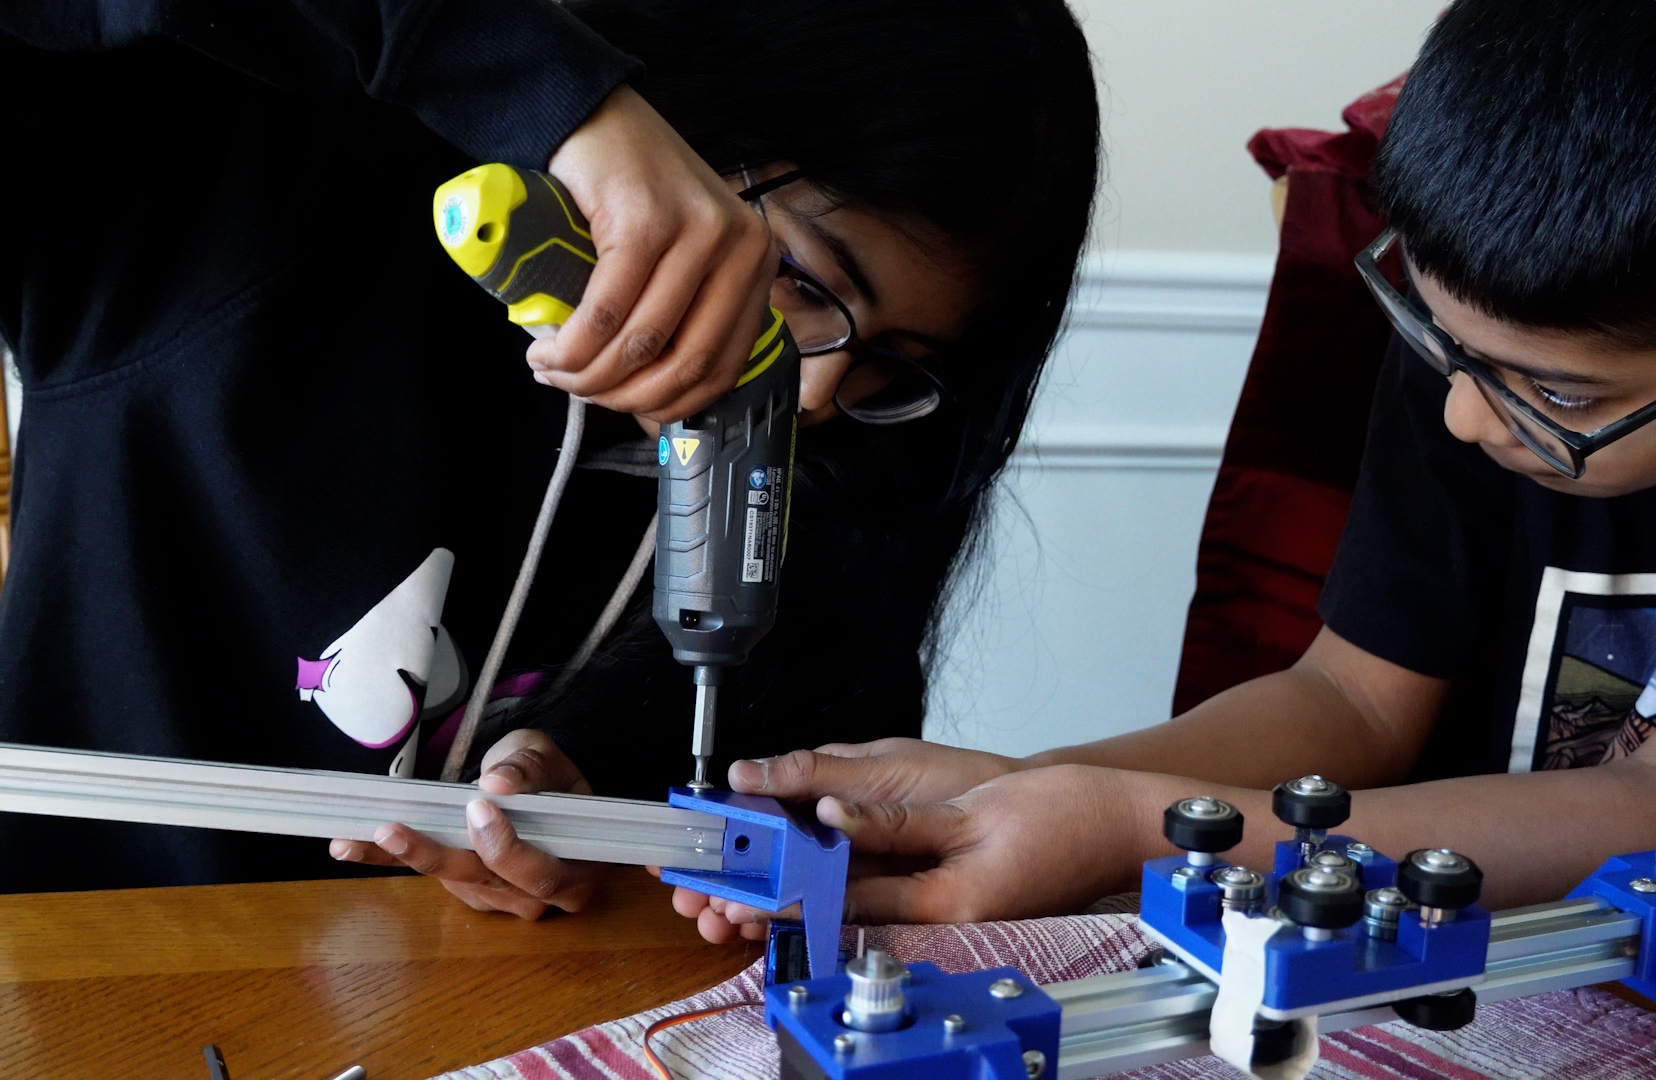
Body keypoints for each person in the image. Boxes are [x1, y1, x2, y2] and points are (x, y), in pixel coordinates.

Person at [669, 0, 1656, 946]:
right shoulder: (1477, 347)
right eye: (1439, 343)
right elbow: (1357, 702)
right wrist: (1041, 790)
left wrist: (1133, 827)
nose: (1469, 423)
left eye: (1560, 397)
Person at [0, 0, 1097, 899]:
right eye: (804, 286)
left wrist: (597, 824)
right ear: (683, 133)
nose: (816, 399)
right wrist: (560, 99)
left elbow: (770, 834)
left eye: (893, 367)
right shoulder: (234, 193)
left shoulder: (839, 491)